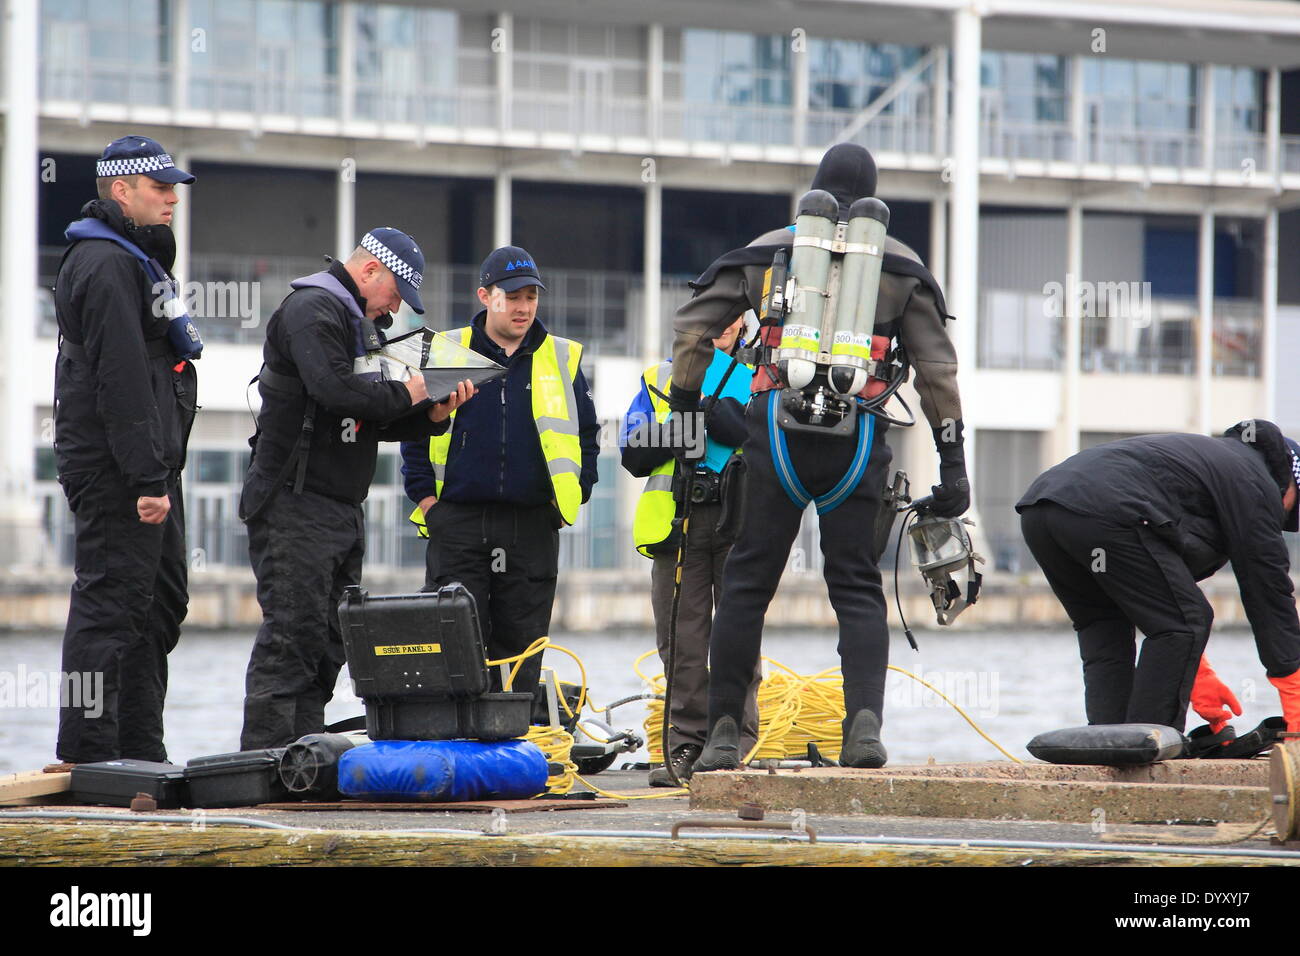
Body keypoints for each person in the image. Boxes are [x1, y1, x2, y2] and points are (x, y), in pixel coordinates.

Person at [667, 143, 969, 772]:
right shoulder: (904, 269)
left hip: (775, 435)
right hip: (856, 441)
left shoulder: (765, 254)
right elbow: (938, 372)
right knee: (857, 588)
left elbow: (693, 330)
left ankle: (723, 735)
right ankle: (862, 731)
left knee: (747, 585)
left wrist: (688, 407)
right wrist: (954, 465)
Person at [239, 228, 475, 750]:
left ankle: (301, 756)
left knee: (327, 643)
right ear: (370, 271)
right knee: (291, 637)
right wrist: (409, 389)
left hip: (340, 508)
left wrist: (428, 414)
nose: (394, 310)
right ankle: (265, 760)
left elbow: (365, 419)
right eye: (394, 294)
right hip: (294, 503)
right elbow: (335, 391)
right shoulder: (313, 311)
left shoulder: (355, 323)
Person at [49, 136, 199, 770]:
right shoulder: (107, 263)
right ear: (121, 190)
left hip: (150, 464)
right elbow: (122, 377)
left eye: (173, 189)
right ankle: (88, 755)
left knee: (159, 603)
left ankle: (139, 750)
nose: (171, 199)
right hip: (120, 469)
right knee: (110, 606)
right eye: (159, 188)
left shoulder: (137, 257)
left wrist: (158, 469)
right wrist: (145, 477)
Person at [401, 246, 600, 703]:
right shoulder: (446, 351)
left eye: (531, 296)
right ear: (484, 296)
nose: (523, 307)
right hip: (458, 524)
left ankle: (514, 753)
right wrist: (429, 505)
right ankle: (460, 756)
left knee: (522, 651)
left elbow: (587, 436)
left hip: (532, 525)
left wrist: (569, 498)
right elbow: (411, 433)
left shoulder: (562, 358)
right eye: (512, 297)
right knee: (454, 644)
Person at [1016, 421, 1300, 736]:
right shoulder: (1257, 482)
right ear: (1290, 481)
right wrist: (1294, 687)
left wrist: (1197, 674)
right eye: (1292, 511)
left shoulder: (1215, 463)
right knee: (1186, 623)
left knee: (1103, 624)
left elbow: (1156, 596)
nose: (1284, 519)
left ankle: (1108, 742)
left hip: (1042, 511)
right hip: (1106, 510)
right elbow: (1268, 589)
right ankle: (1147, 744)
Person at [620, 316, 762, 786]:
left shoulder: (763, 377)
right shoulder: (659, 378)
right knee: (679, 640)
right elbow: (632, 451)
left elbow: (762, 441)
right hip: (678, 525)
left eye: (731, 318)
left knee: (737, 635)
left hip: (739, 523)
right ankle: (686, 745)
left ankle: (734, 743)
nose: (721, 325)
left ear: (744, 325)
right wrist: (698, 426)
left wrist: (704, 421)